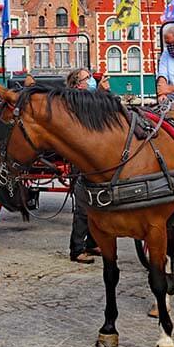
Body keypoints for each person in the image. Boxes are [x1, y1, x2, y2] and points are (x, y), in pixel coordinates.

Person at [65, 67, 106, 264]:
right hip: (80, 158)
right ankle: (77, 248)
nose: (90, 80)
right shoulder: (74, 99)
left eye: (90, 77)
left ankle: (91, 242)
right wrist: (100, 92)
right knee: (82, 205)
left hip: (91, 156)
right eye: (86, 78)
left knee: (94, 202)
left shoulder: (82, 96)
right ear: (76, 83)